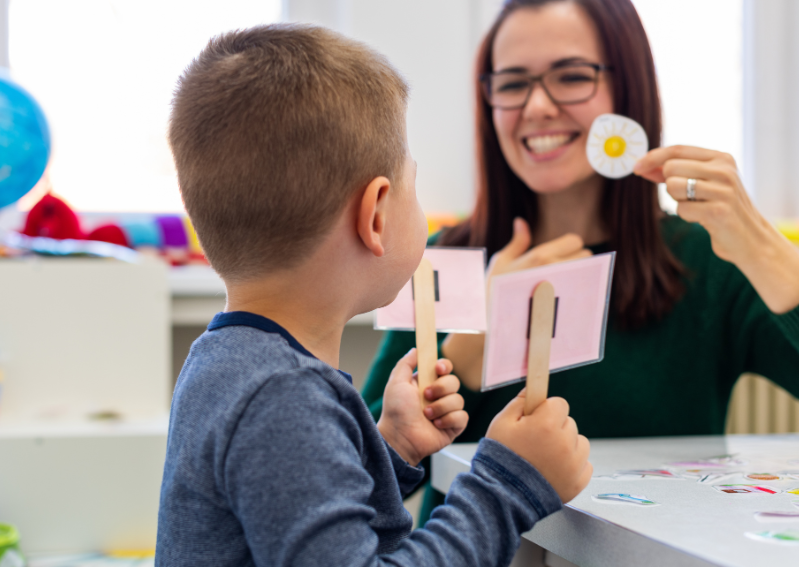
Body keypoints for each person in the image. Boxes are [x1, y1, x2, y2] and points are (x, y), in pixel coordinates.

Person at [155, 24, 592, 566]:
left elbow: (291, 520)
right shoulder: (284, 398)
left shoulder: (226, 364)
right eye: (414, 185)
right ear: (377, 213)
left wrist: (391, 449)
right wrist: (511, 482)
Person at [363, 0, 799, 526]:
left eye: (571, 76)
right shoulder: (436, 259)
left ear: (629, 89)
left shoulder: (705, 261)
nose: (538, 106)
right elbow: (354, 478)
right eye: (513, 82)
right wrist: (475, 343)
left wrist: (763, 247)